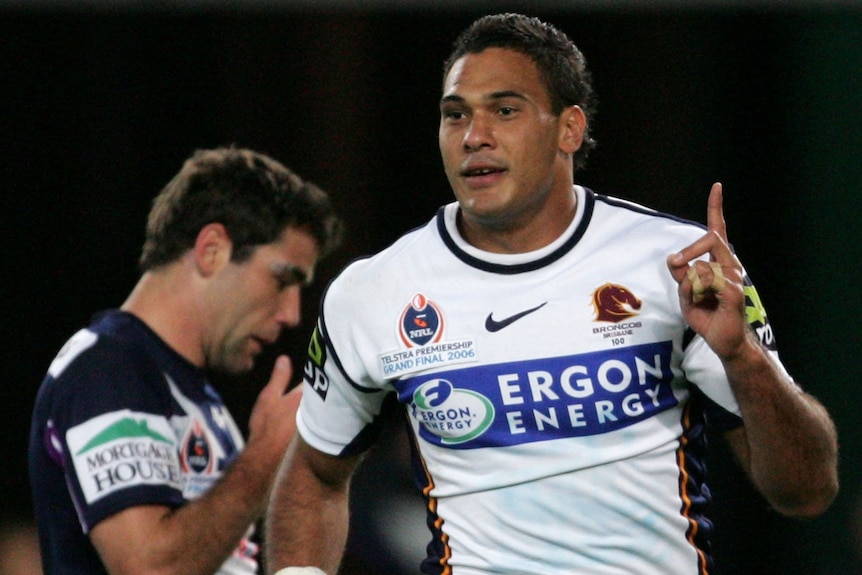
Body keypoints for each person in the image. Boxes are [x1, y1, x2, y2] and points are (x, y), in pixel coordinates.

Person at [264, 13, 839, 575]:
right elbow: (315, 472)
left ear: (570, 128)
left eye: (505, 110)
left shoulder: (682, 264)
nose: (474, 137)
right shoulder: (372, 293)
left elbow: (806, 492)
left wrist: (743, 356)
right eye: (454, 114)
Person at [28, 146, 342, 575]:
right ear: (212, 249)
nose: (291, 313)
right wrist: (265, 455)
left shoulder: (192, 395)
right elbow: (148, 569)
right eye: (282, 279)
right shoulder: (106, 371)